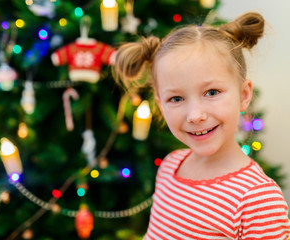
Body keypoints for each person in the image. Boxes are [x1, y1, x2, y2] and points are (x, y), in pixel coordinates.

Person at [114, 12, 290, 240]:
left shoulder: (257, 199)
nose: (195, 115)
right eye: (176, 99)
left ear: (244, 94)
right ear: (160, 104)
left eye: (212, 92)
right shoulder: (169, 167)